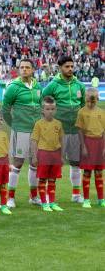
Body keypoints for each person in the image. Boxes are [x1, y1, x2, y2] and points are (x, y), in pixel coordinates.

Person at [42, 55, 85, 203]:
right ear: (60, 68)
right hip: (58, 131)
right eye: (67, 67)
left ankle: (76, 195)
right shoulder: (53, 85)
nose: (70, 69)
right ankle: (48, 195)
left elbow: (84, 106)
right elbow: (44, 101)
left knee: (76, 162)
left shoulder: (79, 85)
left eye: (72, 66)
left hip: (75, 130)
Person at [2, 59, 43, 207]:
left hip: (36, 132)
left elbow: (41, 105)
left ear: (33, 70)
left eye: (27, 67)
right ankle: (10, 198)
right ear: (18, 70)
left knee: (34, 163)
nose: (24, 69)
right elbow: (5, 109)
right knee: (18, 163)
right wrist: (14, 125)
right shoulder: (13, 87)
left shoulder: (37, 86)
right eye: (22, 67)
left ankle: (33, 196)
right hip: (21, 131)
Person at [31, 96, 65, 212]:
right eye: (48, 109)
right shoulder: (38, 124)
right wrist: (35, 156)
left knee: (52, 180)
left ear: (55, 110)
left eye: (52, 109)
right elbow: (34, 141)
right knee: (43, 179)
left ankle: (52, 202)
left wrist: (61, 156)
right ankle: (44, 203)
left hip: (55, 155)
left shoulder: (58, 124)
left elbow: (61, 140)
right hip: (43, 154)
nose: (50, 111)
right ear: (43, 110)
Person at [76, 88, 104, 208]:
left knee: (99, 172)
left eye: (93, 101)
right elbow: (80, 131)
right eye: (88, 101)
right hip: (88, 142)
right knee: (87, 172)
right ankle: (86, 199)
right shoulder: (81, 112)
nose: (90, 103)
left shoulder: (102, 112)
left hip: (100, 144)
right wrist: (83, 147)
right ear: (85, 99)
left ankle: (101, 199)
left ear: (97, 99)